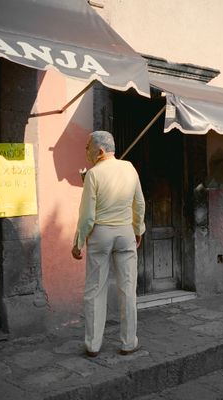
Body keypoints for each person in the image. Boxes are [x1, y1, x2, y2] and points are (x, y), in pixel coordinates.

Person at [72, 130, 145, 357]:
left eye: (88, 147)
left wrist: (78, 242)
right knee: (128, 289)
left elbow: (87, 216)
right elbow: (139, 202)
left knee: (95, 290)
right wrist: (138, 229)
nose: (86, 151)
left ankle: (93, 345)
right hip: (125, 232)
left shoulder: (93, 174)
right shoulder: (130, 167)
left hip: (101, 234)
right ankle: (128, 342)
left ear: (101, 151)